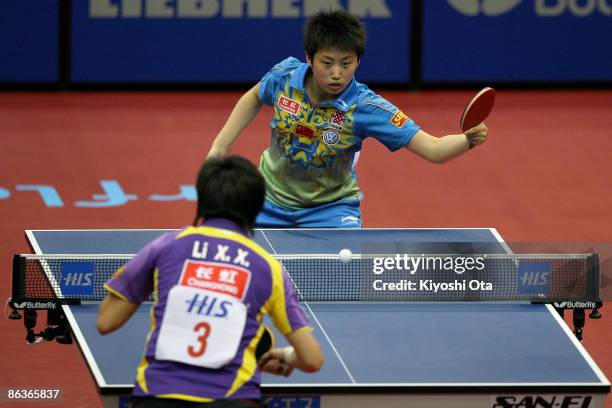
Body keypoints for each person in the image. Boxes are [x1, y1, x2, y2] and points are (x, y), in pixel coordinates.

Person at [207, 9, 488, 228]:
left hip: (331, 211)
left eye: (346, 63)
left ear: (358, 62)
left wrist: (468, 141)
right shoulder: (284, 77)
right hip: (266, 201)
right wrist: (218, 148)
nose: (337, 73)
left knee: (344, 286)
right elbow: (254, 96)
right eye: (327, 63)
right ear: (309, 57)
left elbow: (434, 149)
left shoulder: (366, 107)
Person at [96, 156, 323, 408]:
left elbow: (106, 322)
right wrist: (287, 355)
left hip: (157, 397)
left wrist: (133, 278)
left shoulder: (165, 247)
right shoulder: (268, 268)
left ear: (201, 200)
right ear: (256, 208)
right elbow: (312, 360)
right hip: (233, 401)